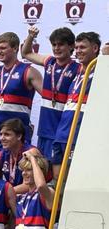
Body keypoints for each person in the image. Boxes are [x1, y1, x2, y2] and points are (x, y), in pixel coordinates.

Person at [21, 26, 78, 164]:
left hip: (62, 129)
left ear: (71, 46)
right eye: (54, 44)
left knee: (59, 171)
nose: (56, 48)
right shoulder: (49, 61)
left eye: (61, 44)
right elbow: (26, 53)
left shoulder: (78, 68)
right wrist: (31, 36)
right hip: (44, 128)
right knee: (44, 167)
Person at [0, 32, 43, 150]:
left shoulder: (28, 71)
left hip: (17, 134)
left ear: (15, 48)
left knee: (15, 167)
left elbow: (48, 96)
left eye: (3, 48)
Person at [53, 32, 101, 178]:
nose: (78, 51)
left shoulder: (101, 70)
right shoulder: (78, 72)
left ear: (95, 48)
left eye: (83, 47)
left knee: (73, 178)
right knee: (57, 179)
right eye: (77, 47)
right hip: (62, 133)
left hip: (79, 134)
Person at [0, 118, 41, 186]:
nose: (2, 138)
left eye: (7, 134)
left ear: (19, 136)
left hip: (34, 194)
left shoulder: (31, 152)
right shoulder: (1, 155)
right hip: (14, 193)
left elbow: (29, 185)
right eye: (1, 134)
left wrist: (4, 192)